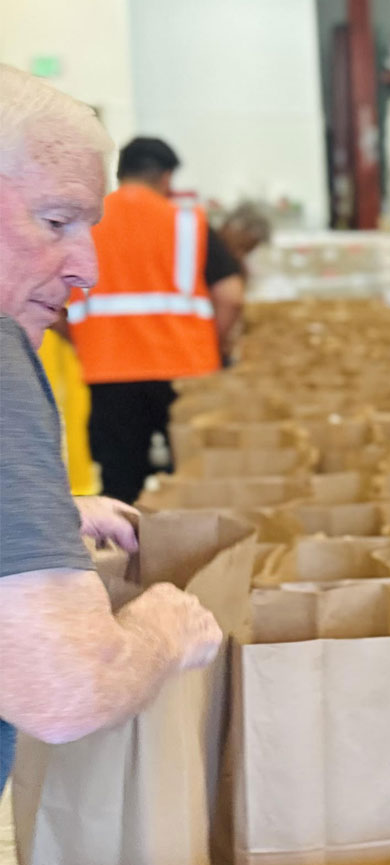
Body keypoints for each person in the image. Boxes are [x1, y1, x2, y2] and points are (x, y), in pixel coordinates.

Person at [0, 64, 225, 789]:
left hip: (110, 371)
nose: (86, 269)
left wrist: (44, 518)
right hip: (175, 368)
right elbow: (67, 691)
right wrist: (164, 629)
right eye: (55, 221)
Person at [65, 137, 224, 503]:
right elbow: (229, 293)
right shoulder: (187, 222)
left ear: (119, 174)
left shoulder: (85, 224)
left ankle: (124, 556)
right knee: (194, 479)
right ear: (166, 177)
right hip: (185, 372)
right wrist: (218, 342)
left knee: (120, 481)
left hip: (109, 370)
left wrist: (83, 338)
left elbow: (51, 299)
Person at [204, 201, 273, 365]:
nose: (240, 254)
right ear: (231, 228)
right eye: (241, 246)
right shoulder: (208, 248)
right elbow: (231, 300)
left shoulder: (234, 265)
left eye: (247, 250)